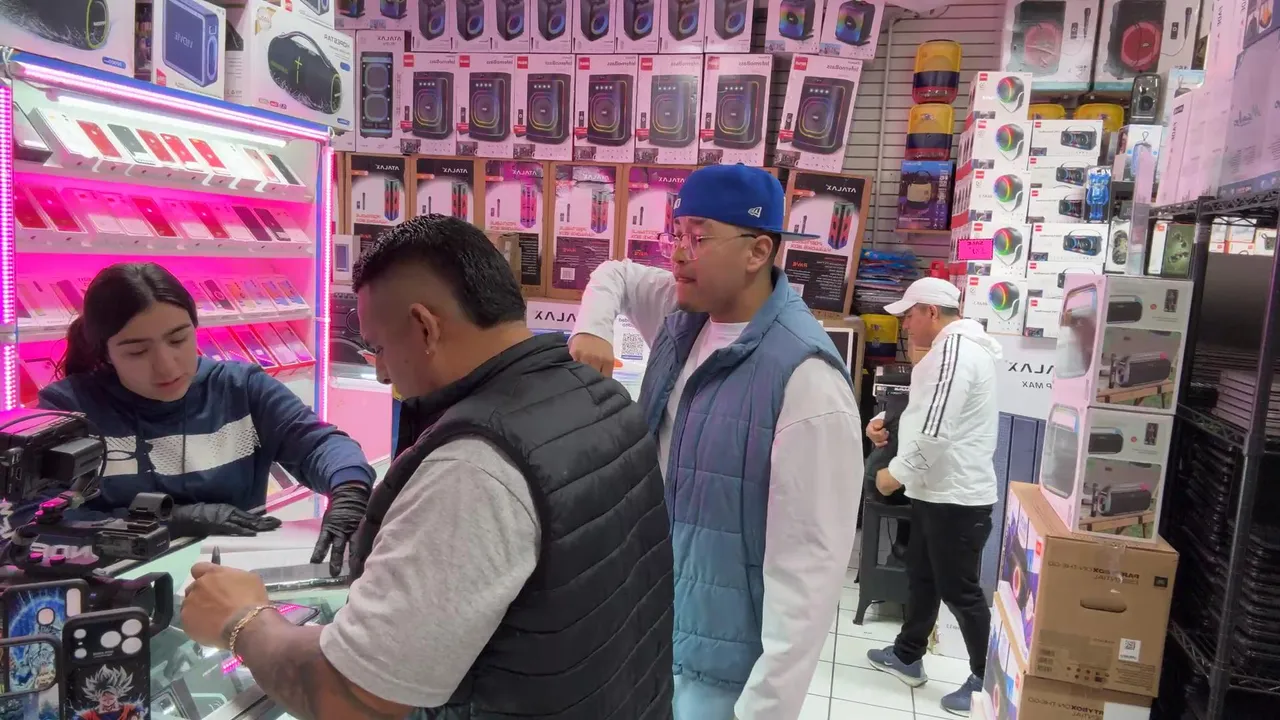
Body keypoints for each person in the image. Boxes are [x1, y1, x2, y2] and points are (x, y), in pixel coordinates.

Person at [181, 214, 674, 719]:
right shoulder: (602, 398)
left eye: (378, 347)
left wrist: (242, 621)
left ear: (424, 327)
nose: (380, 371)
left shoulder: (474, 468)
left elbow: (353, 699)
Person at [568, 165, 861, 720]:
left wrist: (766, 709)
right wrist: (592, 326)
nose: (678, 254)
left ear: (757, 252)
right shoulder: (683, 318)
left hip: (725, 673)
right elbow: (615, 274)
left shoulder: (806, 380)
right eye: (676, 234)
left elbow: (810, 573)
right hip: (654, 628)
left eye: (699, 238)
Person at [36, 263, 372, 574]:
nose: (166, 366)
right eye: (137, 351)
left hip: (233, 583)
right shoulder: (69, 410)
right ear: (105, 352)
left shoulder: (240, 388)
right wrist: (170, 521)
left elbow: (319, 444)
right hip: (116, 588)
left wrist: (349, 490)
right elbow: (41, 524)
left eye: (178, 339)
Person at [864, 277, 1001, 716]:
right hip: (935, 491)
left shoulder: (956, 352)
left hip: (956, 497)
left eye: (909, 315)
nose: (905, 325)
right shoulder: (948, 351)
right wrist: (886, 423)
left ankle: (984, 681)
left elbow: (937, 431)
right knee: (921, 574)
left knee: (960, 591)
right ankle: (908, 655)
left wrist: (895, 475)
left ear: (931, 312)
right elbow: (930, 412)